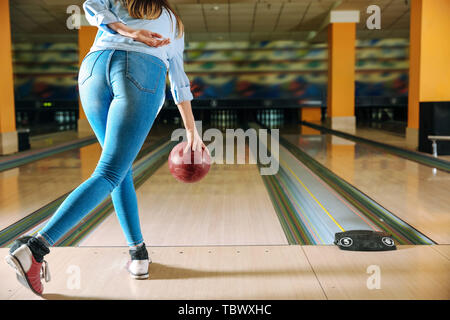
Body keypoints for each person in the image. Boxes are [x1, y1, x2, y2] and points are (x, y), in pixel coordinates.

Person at [5, 0, 207, 295]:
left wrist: (124, 29)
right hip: (140, 71)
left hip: (93, 71)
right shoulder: (173, 21)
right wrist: (192, 131)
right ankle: (36, 248)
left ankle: (138, 254)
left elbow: (90, 4)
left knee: (117, 169)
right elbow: (178, 78)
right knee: (111, 170)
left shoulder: (120, 0)